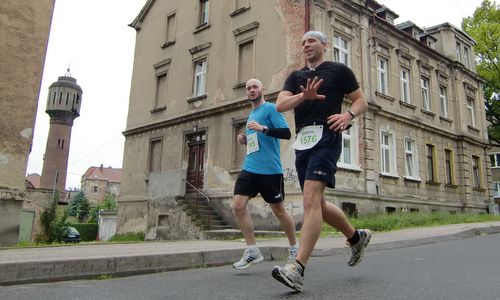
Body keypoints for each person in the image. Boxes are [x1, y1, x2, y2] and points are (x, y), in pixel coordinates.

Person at [271, 31, 371, 291]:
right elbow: (281, 105)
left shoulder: (339, 71)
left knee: (310, 201)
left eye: (311, 41)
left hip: (328, 135)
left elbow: (361, 101)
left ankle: (297, 268)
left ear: (324, 45)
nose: (306, 45)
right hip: (303, 140)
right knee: (320, 204)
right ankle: (356, 237)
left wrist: (348, 115)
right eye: (303, 42)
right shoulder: (296, 77)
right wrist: (304, 96)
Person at [232, 78, 299, 270]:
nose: (251, 90)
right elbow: (258, 142)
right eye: (248, 88)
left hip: (270, 170)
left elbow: (286, 133)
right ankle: (252, 250)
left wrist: (263, 128)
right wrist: (246, 139)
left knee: (278, 211)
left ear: (262, 89)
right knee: (238, 206)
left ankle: (295, 248)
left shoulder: (270, 109)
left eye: (255, 87)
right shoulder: (252, 114)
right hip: (250, 167)